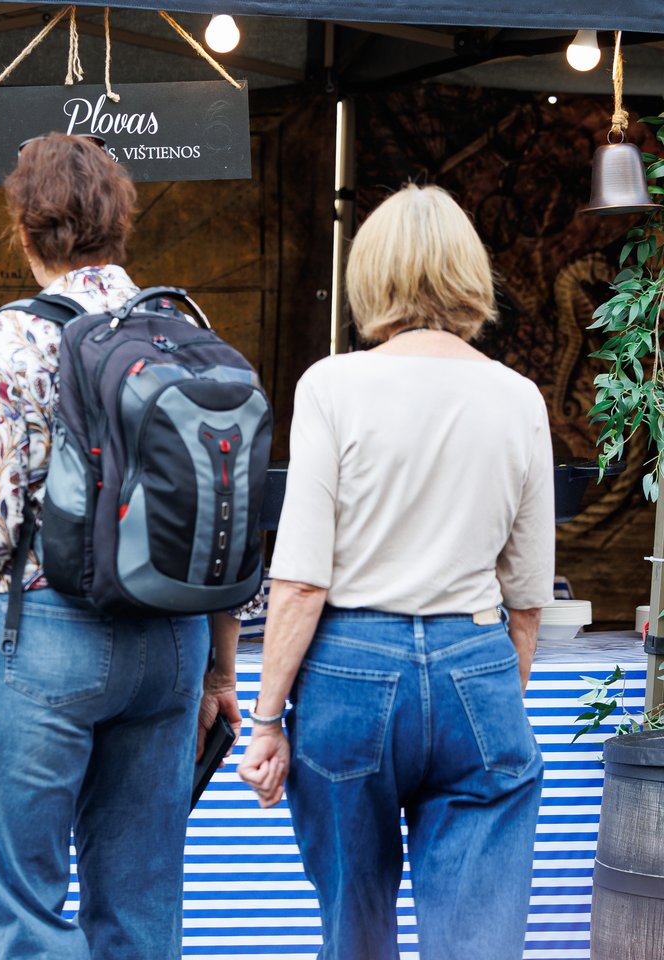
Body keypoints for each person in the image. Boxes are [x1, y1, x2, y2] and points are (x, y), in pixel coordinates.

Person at [0, 132, 256, 959]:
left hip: (45, 634)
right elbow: (222, 511)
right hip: (172, 642)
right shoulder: (182, 328)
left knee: (20, 902)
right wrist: (220, 671)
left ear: (23, 231)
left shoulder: (4, 340)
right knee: (142, 903)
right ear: (120, 227)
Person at [237, 184, 553, 960]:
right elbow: (528, 594)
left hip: (350, 670)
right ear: (470, 274)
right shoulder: (519, 398)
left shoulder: (332, 385)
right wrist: (492, 691)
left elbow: (301, 579)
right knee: (477, 942)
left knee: (355, 928)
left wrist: (268, 719)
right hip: (476, 659)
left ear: (370, 276)